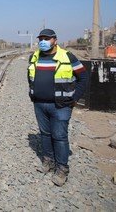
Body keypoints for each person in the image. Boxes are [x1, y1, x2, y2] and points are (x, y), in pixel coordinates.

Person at [28, 28, 88, 186]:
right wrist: (34, 93)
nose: (43, 41)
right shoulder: (34, 56)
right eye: (41, 38)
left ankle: (62, 169)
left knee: (60, 136)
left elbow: (83, 77)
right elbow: (30, 77)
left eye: (46, 38)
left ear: (55, 40)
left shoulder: (67, 56)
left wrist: (74, 99)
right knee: (45, 134)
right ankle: (48, 161)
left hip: (61, 105)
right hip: (40, 104)